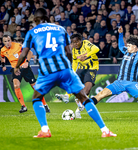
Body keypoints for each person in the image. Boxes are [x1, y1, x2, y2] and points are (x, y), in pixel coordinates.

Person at [14, 8, 116, 138]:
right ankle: (105, 130)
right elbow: (68, 52)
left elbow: (23, 53)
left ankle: (45, 130)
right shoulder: (60, 29)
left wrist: (17, 66)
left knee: (36, 98)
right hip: (65, 69)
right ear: (48, 16)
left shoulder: (31, 32)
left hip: (47, 71)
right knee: (84, 97)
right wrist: (68, 69)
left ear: (35, 20)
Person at [91, 26, 138, 119]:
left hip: (132, 84)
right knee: (101, 95)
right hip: (119, 82)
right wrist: (120, 34)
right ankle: (84, 106)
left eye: (128, 45)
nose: (126, 47)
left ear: (135, 47)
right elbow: (120, 46)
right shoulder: (126, 51)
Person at [1, 35, 50, 113]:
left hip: (25, 68)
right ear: (3, 42)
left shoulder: (18, 46)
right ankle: (23, 106)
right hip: (15, 69)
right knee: (16, 85)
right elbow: (2, 57)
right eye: (5, 41)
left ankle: (44, 104)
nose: (8, 43)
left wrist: (27, 62)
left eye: (9, 40)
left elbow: (29, 52)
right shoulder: (3, 50)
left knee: (34, 87)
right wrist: (3, 65)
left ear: (11, 40)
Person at [56, 32, 100, 119]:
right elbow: (75, 62)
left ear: (81, 40)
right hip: (81, 69)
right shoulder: (74, 51)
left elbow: (96, 49)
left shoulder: (86, 43)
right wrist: (73, 72)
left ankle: (78, 108)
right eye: (73, 42)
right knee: (73, 82)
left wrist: (85, 55)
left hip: (91, 68)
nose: (75, 44)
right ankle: (66, 96)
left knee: (86, 90)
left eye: (76, 42)